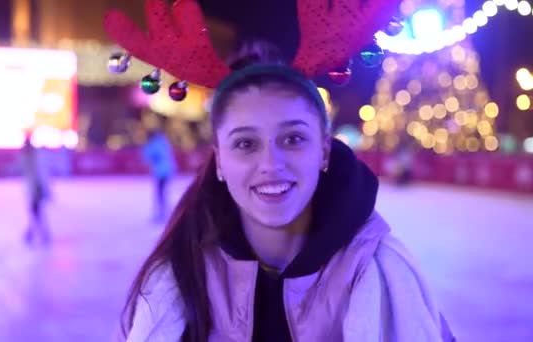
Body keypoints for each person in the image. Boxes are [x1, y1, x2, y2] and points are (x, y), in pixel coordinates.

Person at [104, 1, 455, 341]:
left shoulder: (387, 276)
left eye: (292, 139)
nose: (271, 164)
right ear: (220, 161)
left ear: (323, 149)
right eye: (245, 144)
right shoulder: (173, 283)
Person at [20, 134, 52, 245]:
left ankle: (33, 234)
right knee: (36, 213)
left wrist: (43, 189)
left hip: (36, 189)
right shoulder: (28, 156)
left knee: (36, 212)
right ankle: (35, 234)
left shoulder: (34, 157)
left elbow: (40, 174)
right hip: (33, 189)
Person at [142, 127, 176, 222]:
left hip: (162, 172)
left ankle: (162, 213)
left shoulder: (153, 145)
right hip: (167, 170)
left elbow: (149, 158)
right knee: (162, 192)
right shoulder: (162, 142)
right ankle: (163, 212)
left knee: (160, 192)